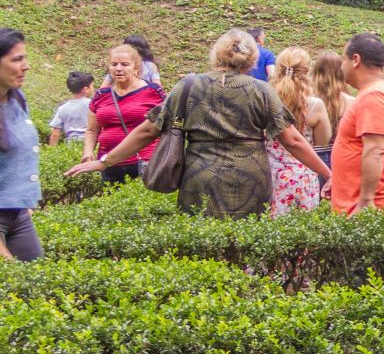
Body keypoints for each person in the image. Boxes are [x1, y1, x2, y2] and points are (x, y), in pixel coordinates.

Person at [67, 29, 329, 218]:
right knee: (246, 245)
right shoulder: (261, 90)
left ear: (216, 56)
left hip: (200, 175)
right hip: (251, 178)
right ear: (252, 60)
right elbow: (293, 140)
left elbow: (149, 129)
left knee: (202, 243)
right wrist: (329, 175)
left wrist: (105, 161)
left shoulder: (189, 84)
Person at [332, 33, 384, 214]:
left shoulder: (374, 96)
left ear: (355, 60)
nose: (341, 66)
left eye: (343, 59)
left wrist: (365, 202)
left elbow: (375, 150)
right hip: (374, 205)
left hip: (377, 206)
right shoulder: (377, 91)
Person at [85, 45, 165, 187]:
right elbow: (92, 130)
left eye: (125, 64)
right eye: (114, 64)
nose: (118, 68)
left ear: (136, 68)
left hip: (144, 162)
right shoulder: (101, 95)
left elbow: (163, 126)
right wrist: (88, 151)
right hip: (108, 163)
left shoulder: (153, 92)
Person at [267, 48, 333, 216]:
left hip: (269, 175)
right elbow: (323, 142)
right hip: (304, 177)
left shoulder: (266, 100)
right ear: (307, 72)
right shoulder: (315, 105)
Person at [0, 30, 43, 261]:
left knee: (37, 283)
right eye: (16, 59)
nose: (25, 66)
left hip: (17, 214)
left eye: (25, 58)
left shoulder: (17, 98)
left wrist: (23, 199)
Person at [312, 51, 355, 167]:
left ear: (316, 72)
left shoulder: (310, 102)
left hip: (314, 159)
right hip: (344, 157)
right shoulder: (352, 102)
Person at [48, 71, 95, 145]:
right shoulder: (92, 103)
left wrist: (51, 150)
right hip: (90, 143)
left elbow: (55, 134)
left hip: (71, 145)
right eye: (92, 86)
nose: (93, 89)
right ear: (86, 89)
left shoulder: (62, 108)